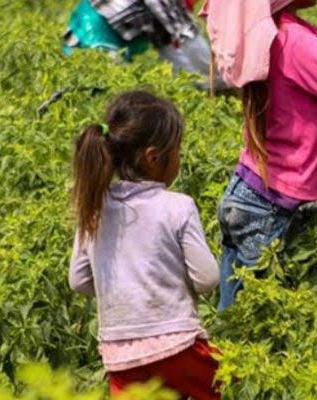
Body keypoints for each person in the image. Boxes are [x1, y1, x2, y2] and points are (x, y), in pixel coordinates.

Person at [202, 0, 317, 310]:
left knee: (241, 323)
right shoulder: (295, 43)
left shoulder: (273, 32)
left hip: (255, 200)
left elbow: (289, 115)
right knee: (256, 327)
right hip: (269, 209)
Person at [68, 91, 221, 399]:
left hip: (119, 356)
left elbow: (79, 280)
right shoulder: (178, 206)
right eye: (177, 150)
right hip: (178, 346)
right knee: (234, 383)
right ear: (153, 157)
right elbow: (208, 279)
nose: (179, 158)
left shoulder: (94, 205)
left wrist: (122, 288)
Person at [64, 0, 224, 89]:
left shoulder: (158, 14)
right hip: (95, 32)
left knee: (91, 88)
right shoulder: (165, 4)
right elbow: (190, 40)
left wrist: (197, 83)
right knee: (99, 88)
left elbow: (172, 53)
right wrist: (227, 78)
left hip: (87, 26)